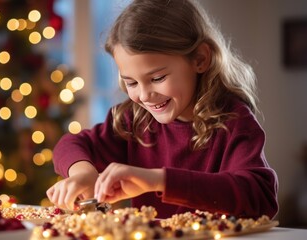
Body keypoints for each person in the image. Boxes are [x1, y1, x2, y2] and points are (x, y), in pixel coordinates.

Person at [46, 0, 279, 219]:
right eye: (131, 82)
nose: (145, 96)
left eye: (157, 77)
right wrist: (83, 173)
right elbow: (71, 144)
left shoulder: (233, 121)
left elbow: (260, 196)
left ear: (200, 59)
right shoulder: (133, 120)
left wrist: (159, 180)